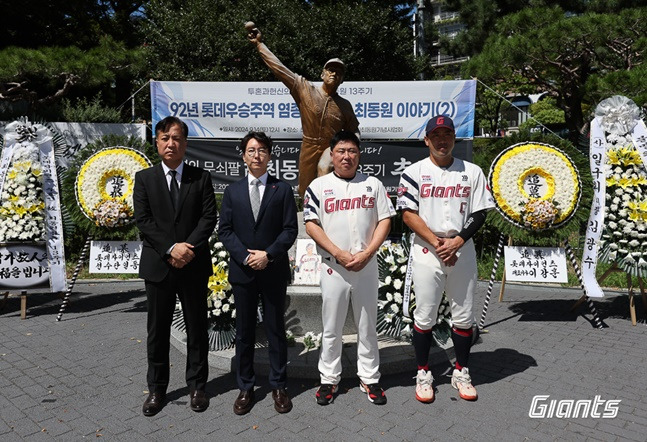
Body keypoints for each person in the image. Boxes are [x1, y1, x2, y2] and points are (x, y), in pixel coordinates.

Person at [396, 115, 494, 403]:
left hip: (462, 248)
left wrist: (458, 241)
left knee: (463, 316)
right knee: (424, 315)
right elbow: (407, 213)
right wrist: (439, 243)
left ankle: (461, 371)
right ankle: (424, 372)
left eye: (447, 134)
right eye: (435, 135)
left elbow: (480, 212)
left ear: (454, 138)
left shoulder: (473, 171)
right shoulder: (413, 172)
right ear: (426, 140)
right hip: (428, 250)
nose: (442, 140)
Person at [304, 130, 395, 406]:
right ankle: (329, 380)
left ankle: (369, 377)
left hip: (365, 265)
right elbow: (311, 225)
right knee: (331, 327)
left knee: (367, 325)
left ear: (359, 154)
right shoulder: (318, 187)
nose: (347, 156)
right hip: (335, 267)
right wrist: (338, 253)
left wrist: (368, 252)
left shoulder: (373, 184)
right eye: (341, 151)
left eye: (352, 151)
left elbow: (385, 220)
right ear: (332, 155)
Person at [134, 116, 218, 416]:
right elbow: (144, 221)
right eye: (165, 138)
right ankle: (157, 390)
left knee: (197, 328)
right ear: (157, 142)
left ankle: (197, 387)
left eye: (177, 138)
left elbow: (208, 218)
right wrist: (171, 248)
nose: (172, 143)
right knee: (157, 331)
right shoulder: (144, 179)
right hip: (159, 266)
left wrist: (187, 248)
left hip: (193, 265)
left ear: (186, 143)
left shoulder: (201, 177)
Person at [218, 131, 298, 415]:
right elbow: (224, 230)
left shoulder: (283, 189)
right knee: (244, 332)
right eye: (251, 150)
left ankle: (278, 385)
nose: (257, 155)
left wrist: (268, 255)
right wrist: (245, 256)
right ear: (243, 156)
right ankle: (246, 386)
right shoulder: (232, 191)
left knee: (276, 330)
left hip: (273, 270)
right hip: (243, 272)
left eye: (262, 150)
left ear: (270, 155)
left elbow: (290, 229)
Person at [247, 23, 360, 197]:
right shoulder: (306, 89)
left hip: (330, 147)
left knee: (325, 167)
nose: (333, 74)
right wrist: (259, 45)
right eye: (330, 70)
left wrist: (351, 147)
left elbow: (354, 130)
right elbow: (279, 69)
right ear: (322, 74)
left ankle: (328, 211)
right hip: (309, 145)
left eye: (338, 73)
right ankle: (311, 219)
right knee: (304, 191)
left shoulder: (344, 105)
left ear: (342, 80)